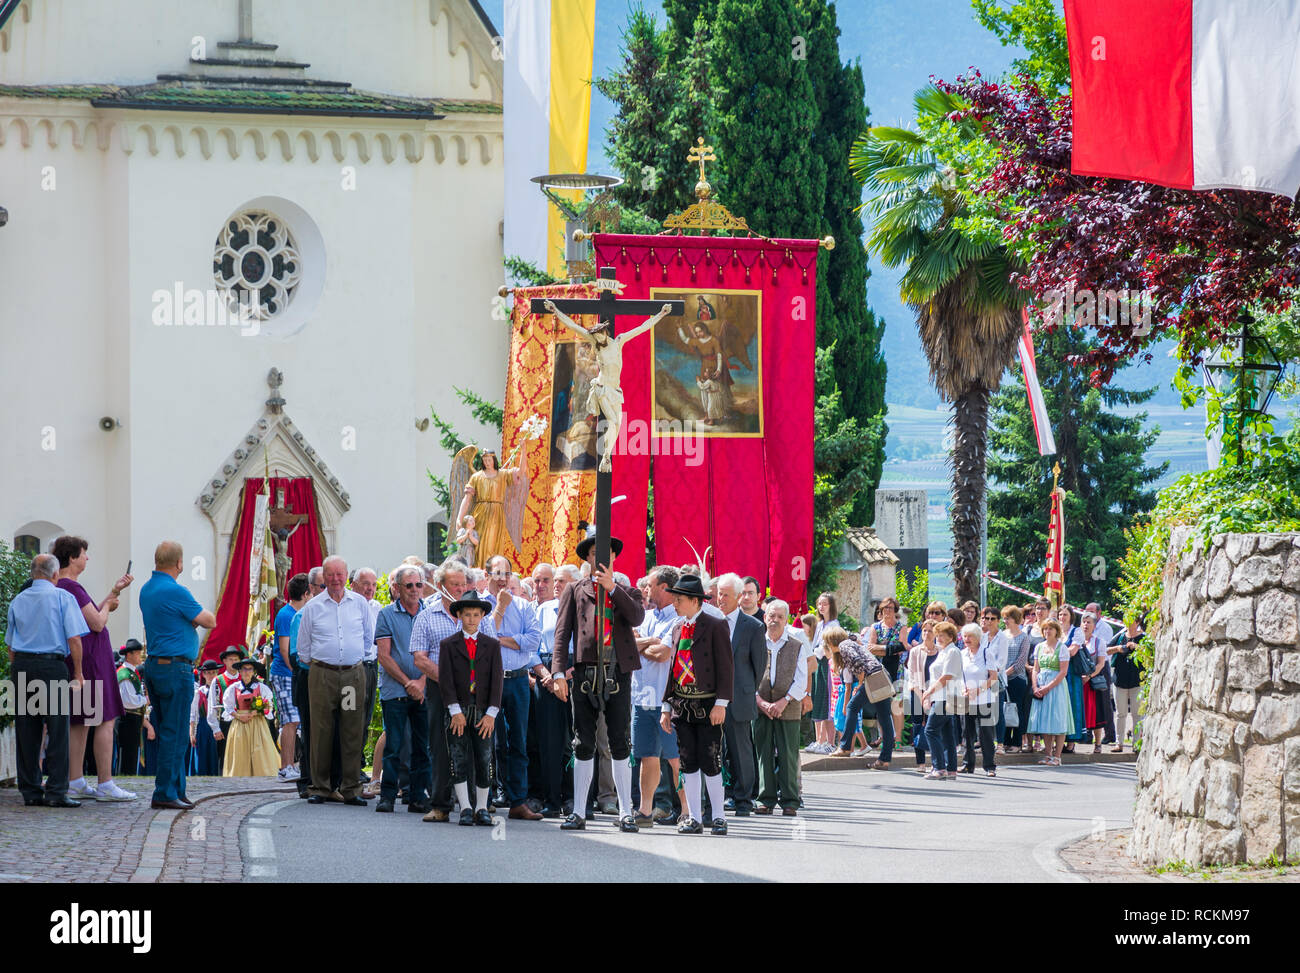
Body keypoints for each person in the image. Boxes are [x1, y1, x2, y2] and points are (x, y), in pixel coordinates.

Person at [551, 535, 646, 833]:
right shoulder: (574, 589)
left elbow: (636, 617)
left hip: (617, 673)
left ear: (614, 557)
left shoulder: (627, 590)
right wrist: (557, 673)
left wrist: (612, 589)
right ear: (588, 559)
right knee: (583, 742)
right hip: (584, 673)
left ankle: (625, 811)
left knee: (619, 741)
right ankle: (579, 810)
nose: (599, 558)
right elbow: (562, 632)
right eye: (593, 554)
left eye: (604, 553)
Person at [52, 536, 135, 801]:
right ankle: (105, 783)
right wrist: (110, 605)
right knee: (105, 719)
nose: (87, 558)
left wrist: (115, 591)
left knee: (81, 722)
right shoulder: (73, 588)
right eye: (84, 554)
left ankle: (75, 779)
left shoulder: (62, 585)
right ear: (73, 557)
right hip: (92, 660)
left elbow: (89, 618)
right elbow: (97, 623)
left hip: (82, 658)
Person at [7, 554, 89, 807]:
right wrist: (78, 673)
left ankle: (30, 791)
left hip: (22, 665)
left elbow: (10, 644)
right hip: (51, 666)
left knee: (27, 731)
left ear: (33, 573)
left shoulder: (18, 600)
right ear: (55, 575)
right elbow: (74, 639)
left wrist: (18, 668)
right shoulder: (63, 597)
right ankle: (55, 792)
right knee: (57, 730)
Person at [139, 541, 216, 809]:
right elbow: (210, 620)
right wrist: (192, 619)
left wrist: (186, 619)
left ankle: (177, 789)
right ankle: (165, 792)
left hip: (155, 665)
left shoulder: (147, 589)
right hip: (176, 668)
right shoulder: (176, 591)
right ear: (179, 563)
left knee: (169, 731)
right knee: (176, 732)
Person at [659, 573, 733, 835]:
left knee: (711, 760)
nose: (675, 604)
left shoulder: (715, 625)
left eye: (678, 600)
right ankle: (694, 817)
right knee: (688, 761)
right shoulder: (678, 627)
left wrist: (721, 703)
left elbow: (726, 667)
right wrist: (667, 706)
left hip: (707, 704)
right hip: (682, 704)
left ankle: (719, 816)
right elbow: (673, 667)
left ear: (693, 600)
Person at [297, 555, 373, 806]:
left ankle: (351, 787)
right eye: (330, 574)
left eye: (340, 574)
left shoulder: (360, 604)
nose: (335, 579)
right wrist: (323, 663)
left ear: (346, 575)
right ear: (324, 577)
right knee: (321, 728)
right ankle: (320, 786)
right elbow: (303, 647)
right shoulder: (313, 607)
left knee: (352, 728)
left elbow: (367, 639)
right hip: (322, 675)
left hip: (352, 675)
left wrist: (352, 659)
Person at [481, 554, 545, 821]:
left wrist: (502, 640)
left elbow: (533, 641)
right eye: (497, 573)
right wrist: (500, 609)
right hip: (490, 680)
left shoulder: (524, 605)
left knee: (517, 742)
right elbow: (483, 639)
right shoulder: (479, 604)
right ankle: (484, 799)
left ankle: (518, 800)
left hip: (518, 678)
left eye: (506, 574)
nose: (502, 579)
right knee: (486, 742)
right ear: (487, 577)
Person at [439, 592, 503, 826]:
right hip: (459, 710)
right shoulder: (448, 645)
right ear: (459, 615)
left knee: (485, 758)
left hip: (484, 710)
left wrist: (491, 713)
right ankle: (465, 806)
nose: (472, 619)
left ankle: (482, 807)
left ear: (483, 616)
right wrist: (454, 710)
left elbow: (498, 681)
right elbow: (445, 681)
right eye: (467, 614)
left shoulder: (492, 645)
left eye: (476, 615)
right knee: (458, 757)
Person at [372, 566, 431, 813]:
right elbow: (384, 656)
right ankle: (387, 795)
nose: (415, 590)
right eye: (409, 585)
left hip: (425, 690)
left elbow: (437, 653)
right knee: (394, 745)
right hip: (395, 690)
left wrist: (422, 682)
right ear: (397, 587)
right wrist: (409, 682)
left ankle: (417, 796)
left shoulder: (429, 613)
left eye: (419, 585)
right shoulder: (386, 614)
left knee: (422, 746)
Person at [631, 565, 681, 827]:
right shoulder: (646, 616)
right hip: (641, 697)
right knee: (647, 756)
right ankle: (645, 810)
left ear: (665, 587)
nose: (645, 590)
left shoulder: (678, 619)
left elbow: (664, 654)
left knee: (675, 758)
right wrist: (651, 641)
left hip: (667, 700)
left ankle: (687, 811)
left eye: (650, 585)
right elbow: (628, 644)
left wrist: (643, 644)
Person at [753, 599, 811, 815]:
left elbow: (801, 679)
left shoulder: (796, 644)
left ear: (786, 620)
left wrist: (784, 701)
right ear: (765, 617)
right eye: (771, 616)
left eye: (779, 617)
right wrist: (760, 701)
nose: (774, 620)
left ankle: (790, 800)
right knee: (763, 753)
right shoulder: (756, 642)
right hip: (761, 706)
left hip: (788, 705)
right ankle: (765, 799)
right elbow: (748, 676)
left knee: (788, 754)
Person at [714, 573, 764, 817]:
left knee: (740, 749)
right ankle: (721, 795)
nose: (720, 599)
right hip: (712, 697)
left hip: (739, 697)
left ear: (737, 597)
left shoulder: (753, 627)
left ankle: (743, 798)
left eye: (725, 595)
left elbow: (759, 666)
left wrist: (744, 690)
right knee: (716, 748)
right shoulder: (711, 621)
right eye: (718, 594)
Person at [530, 562, 574, 818]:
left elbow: (585, 645)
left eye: (562, 581)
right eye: (555, 581)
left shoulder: (582, 607)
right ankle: (551, 798)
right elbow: (533, 647)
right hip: (546, 672)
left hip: (572, 671)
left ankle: (574, 798)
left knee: (575, 738)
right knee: (548, 740)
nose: (556, 585)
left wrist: (568, 674)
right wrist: (547, 676)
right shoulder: (544, 609)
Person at [271, 573, 309, 783]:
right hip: (285, 673)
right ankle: (285, 767)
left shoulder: (295, 613)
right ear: (305, 594)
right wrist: (296, 672)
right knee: (290, 720)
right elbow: (285, 650)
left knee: (295, 721)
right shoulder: (286, 615)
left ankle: (291, 765)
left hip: (290, 673)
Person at [454, 449, 520, 568]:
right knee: (477, 544)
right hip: (480, 513)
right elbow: (467, 499)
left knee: (492, 545)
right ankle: (478, 570)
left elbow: (521, 472)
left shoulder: (503, 474)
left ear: (494, 460)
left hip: (496, 513)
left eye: (489, 460)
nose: (487, 463)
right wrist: (459, 518)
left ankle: (490, 570)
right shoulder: (476, 477)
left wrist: (524, 449)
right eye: (485, 460)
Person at [920, 621, 963, 781]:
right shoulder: (944, 651)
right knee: (947, 734)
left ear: (951, 637)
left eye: (941, 635)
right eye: (937, 635)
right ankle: (951, 768)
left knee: (930, 730)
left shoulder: (953, 652)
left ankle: (939, 767)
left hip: (946, 696)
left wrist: (928, 692)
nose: (938, 637)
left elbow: (946, 677)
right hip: (942, 696)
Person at [222, 658, 279, 777]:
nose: (247, 672)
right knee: (240, 750)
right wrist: (238, 716)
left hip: (257, 722)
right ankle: (239, 774)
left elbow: (268, 704)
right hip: (240, 723)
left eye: (250, 669)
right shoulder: (233, 688)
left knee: (259, 749)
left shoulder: (261, 687)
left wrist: (255, 713)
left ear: (253, 671)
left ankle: (262, 773)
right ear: (240, 671)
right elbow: (228, 707)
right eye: (244, 669)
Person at [353, 567, 382, 788]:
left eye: (373, 584)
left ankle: (359, 762)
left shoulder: (378, 608)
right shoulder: (349, 605)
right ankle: (349, 765)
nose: (370, 588)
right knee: (351, 715)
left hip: (372, 667)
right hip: (353, 668)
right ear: (353, 585)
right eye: (365, 583)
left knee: (366, 715)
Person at [1026, 619, 1070, 765]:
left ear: (1056, 631)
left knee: (1057, 719)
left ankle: (1057, 756)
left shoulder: (1062, 648)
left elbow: (1063, 672)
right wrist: (1035, 686)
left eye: (1051, 629)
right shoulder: (1039, 647)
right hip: (1041, 684)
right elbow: (1035, 669)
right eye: (1045, 629)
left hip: (1056, 687)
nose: (1047, 631)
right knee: (1044, 719)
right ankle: (1047, 754)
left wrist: (1048, 687)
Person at [959, 622, 999, 777]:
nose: (967, 639)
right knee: (967, 734)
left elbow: (993, 677)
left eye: (970, 636)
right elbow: (959, 675)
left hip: (984, 699)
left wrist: (978, 690)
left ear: (978, 638)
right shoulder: (962, 654)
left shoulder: (985, 653)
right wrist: (963, 688)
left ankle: (990, 766)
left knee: (986, 734)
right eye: (965, 636)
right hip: (967, 699)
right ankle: (967, 764)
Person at [866, 596, 906, 743]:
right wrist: (890, 649)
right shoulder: (875, 627)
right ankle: (883, 737)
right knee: (881, 705)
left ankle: (898, 740)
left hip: (897, 670)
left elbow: (901, 647)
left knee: (897, 705)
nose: (887, 611)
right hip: (879, 671)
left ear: (895, 610)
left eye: (890, 608)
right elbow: (870, 648)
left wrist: (881, 648)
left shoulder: (900, 627)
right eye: (884, 608)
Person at [806, 592, 840, 755]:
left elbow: (831, 645)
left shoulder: (834, 624)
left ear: (831, 606)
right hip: (818, 663)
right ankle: (820, 740)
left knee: (828, 701)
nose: (821, 607)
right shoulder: (819, 624)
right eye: (819, 604)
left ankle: (830, 741)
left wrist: (819, 651)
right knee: (818, 699)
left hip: (828, 664)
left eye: (825, 604)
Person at [905, 619, 941, 772]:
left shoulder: (941, 651)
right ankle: (920, 762)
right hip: (918, 692)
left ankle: (936, 761)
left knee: (935, 727)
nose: (926, 633)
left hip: (937, 693)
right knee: (918, 725)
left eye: (930, 630)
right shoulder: (915, 651)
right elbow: (912, 677)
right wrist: (923, 698)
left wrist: (931, 695)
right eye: (924, 630)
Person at [1076, 612, 1114, 750]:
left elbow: (1100, 664)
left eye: (1089, 622)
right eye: (1084, 622)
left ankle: (1097, 743)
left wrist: (1089, 676)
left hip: (1091, 683)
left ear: (1094, 625)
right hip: (1078, 682)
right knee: (1078, 712)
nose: (1085, 625)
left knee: (1096, 714)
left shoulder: (1099, 642)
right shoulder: (1076, 642)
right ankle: (1073, 742)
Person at [1108, 615, 1145, 752]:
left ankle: (1136, 744)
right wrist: (1118, 648)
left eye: (1132, 621)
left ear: (1137, 622)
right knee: (1120, 713)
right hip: (1119, 679)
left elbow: (1150, 654)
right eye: (1127, 621)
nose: (1129, 624)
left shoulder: (1143, 638)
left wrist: (1137, 647)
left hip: (1137, 680)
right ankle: (1119, 743)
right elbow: (1106, 650)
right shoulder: (1120, 636)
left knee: (1137, 713)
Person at [1000, 606, 1033, 754]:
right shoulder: (1002, 635)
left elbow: (1021, 662)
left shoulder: (1023, 637)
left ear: (1015, 619)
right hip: (1002, 679)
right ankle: (1005, 741)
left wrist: (1005, 673)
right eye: (1004, 618)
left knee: (1017, 710)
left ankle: (1017, 742)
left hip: (1017, 679)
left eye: (1008, 618)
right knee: (1004, 710)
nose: (1005, 621)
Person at [208, 646, 245, 770]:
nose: (233, 662)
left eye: (236, 659)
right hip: (226, 723)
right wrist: (215, 728)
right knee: (225, 755)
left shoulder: (245, 678)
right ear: (224, 661)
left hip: (244, 721)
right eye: (230, 659)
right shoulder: (218, 681)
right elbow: (212, 705)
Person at [117, 639, 149, 777]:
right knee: (127, 754)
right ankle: (125, 778)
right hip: (127, 717)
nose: (140, 656)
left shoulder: (132, 672)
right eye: (137, 653)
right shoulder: (125, 674)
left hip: (134, 718)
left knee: (132, 753)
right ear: (129, 654)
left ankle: (129, 777)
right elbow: (128, 701)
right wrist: (145, 700)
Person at [189, 660, 222, 775]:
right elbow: (193, 714)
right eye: (208, 673)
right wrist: (192, 733)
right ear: (203, 674)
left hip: (219, 724)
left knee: (216, 754)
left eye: (213, 672)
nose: (211, 675)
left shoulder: (220, 690)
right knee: (202, 754)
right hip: (203, 726)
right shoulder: (199, 692)